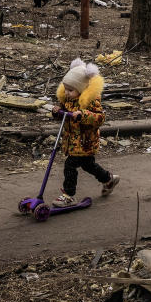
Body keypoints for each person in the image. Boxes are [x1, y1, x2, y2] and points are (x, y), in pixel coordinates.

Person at [51, 58, 119, 206]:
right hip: (72, 142)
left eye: (70, 90)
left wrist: (83, 115)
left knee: (70, 165)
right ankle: (108, 179)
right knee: (88, 165)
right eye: (65, 89)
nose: (67, 93)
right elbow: (63, 114)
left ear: (81, 88)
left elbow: (99, 118)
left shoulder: (91, 101)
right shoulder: (68, 100)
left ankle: (69, 195)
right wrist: (58, 112)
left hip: (85, 142)